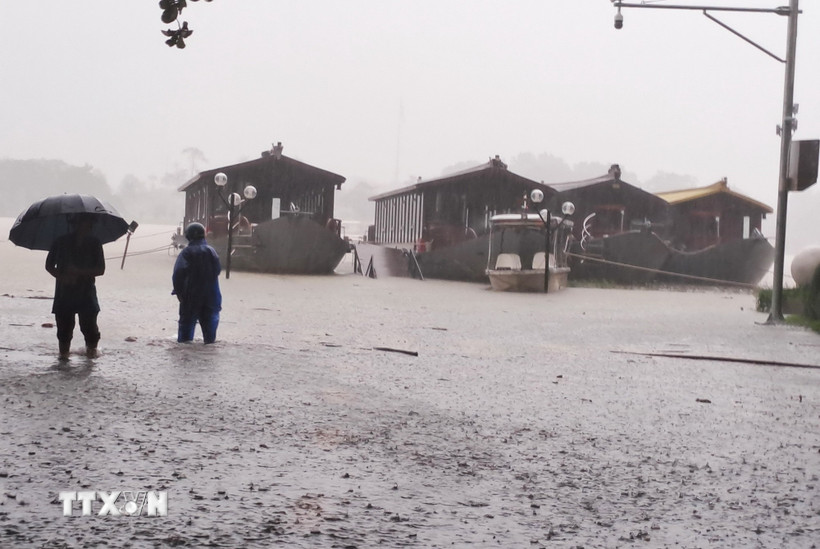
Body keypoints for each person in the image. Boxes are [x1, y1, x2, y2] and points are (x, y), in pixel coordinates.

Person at [45, 213, 106, 360]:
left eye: (89, 223)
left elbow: (101, 269)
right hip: (64, 292)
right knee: (64, 331)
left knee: (90, 330)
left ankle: (91, 360)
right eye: (84, 222)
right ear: (74, 223)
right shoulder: (60, 242)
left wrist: (79, 272)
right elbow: (49, 265)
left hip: (86, 292)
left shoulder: (94, 243)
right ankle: (63, 359)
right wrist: (62, 277)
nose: (87, 226)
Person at [172, 222, 222, 344]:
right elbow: (217, 270)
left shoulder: (186, 253)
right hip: (211, 297)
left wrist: (178, 292)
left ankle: (186, 348)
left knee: (185, 336)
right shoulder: (211, 251)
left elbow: (178, 274)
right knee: (210, 337)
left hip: (191, 297)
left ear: (188, 236)